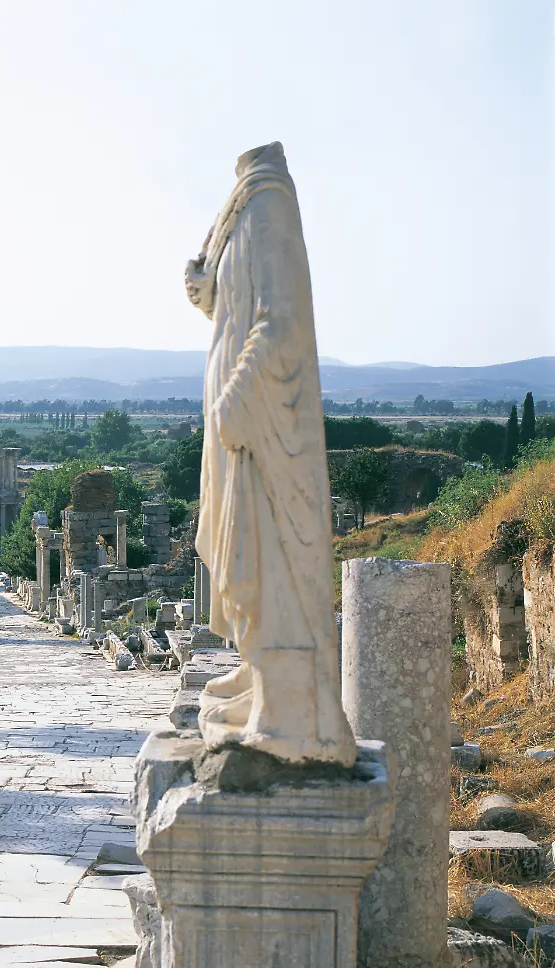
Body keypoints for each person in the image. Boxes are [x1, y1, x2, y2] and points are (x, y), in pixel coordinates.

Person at [184, 142, 354, 766]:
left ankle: (291, 713)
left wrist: (239, 395)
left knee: (270, 555)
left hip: (262, 421)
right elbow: (238, 308)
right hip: (240, 426)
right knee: (241, 551)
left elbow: (279, 320)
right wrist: (207, 292)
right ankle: (260, 677)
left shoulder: (269, 202)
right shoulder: (241, 211)